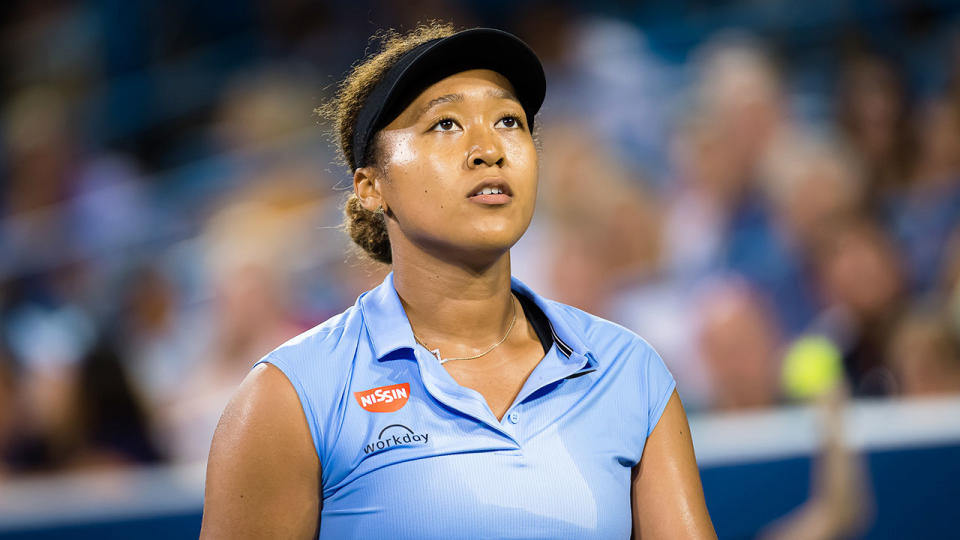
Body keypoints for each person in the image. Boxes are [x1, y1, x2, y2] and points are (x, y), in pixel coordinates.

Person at [201, 23, 715, 539]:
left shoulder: (629, 371)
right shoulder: (290, 395)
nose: (488, 149)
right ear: (372, 187)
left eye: (510, 121)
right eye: (445, 124)